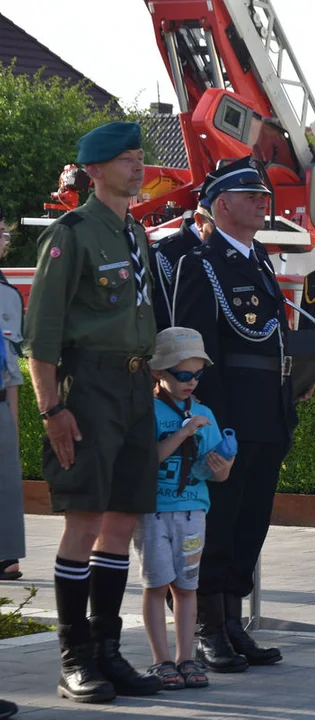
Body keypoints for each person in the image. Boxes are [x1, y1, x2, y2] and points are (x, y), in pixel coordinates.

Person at [23, 121, 162, 702]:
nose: (139, 168)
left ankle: (108, 651)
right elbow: (42, 335)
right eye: (127, 160)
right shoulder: (71, 234)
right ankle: (74, 657)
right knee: (83, 520)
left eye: (138, 158)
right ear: (96, 170)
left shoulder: (136, 234)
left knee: (123, 519)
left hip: (135, 387)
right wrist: (52, 408)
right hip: (88, 388)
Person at [172, 156, 297, 671]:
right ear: (222, 205)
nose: (263, 203)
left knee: (252, 523)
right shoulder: (199, 264)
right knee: (221, 523)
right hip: (228, 417)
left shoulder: (260, 259)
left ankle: (233, 620)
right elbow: (193, 351)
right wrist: (208, 425)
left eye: (263, 196)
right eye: (252, 196)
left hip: (268, 412)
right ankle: (208, 628)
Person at [135, 327, 234, 690]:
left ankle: (186, 657)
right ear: (158, 373)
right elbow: (147, 461)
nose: (191, 382)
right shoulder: (148, 410)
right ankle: (162, 660)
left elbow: (215, 473)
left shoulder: (204, 412)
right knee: (156, 585)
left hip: (194, 512)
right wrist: (182, 433)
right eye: (183, 375)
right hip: (154, 512)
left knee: (187, 587)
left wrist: (223, 466)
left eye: (197, 374)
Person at [0, 204, 25, 584]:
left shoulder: (7, 294)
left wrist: (15, 421)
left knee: (5, 482)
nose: (3, 239)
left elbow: (13, 365)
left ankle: (5, 556)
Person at [150, 192, 215, 330]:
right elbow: (167, 325)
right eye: (222, 226)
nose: (231, 233)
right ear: (199, 221)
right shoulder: (164, 255)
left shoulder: (253, 249)